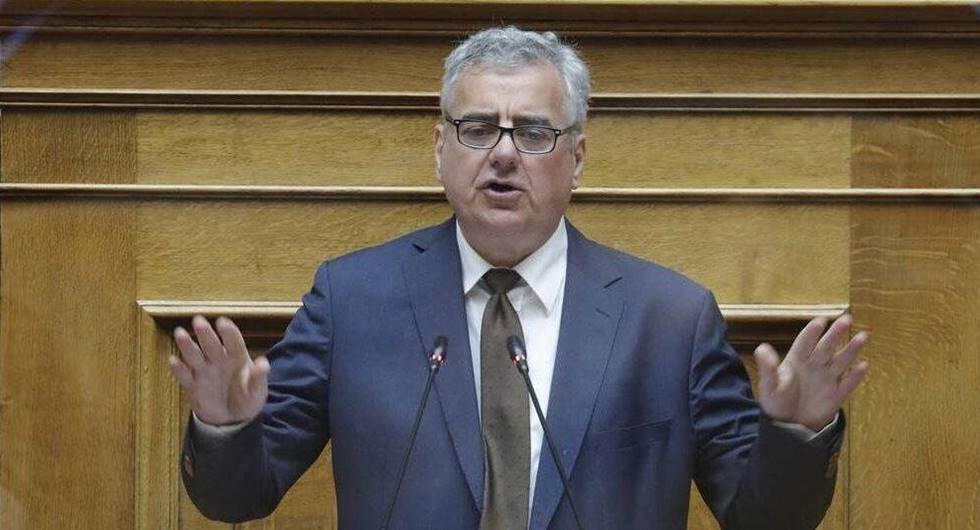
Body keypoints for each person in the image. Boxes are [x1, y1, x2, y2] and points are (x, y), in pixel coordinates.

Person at [169, 26, 869, 530]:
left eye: (534, 133)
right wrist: (224, 428)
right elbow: (238, 498)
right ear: (440, 149)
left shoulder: (670, 319)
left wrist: (797, 434)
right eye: (478, 129)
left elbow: (762, 515)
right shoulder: (351, 300)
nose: (503, 154)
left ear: (577, 158)